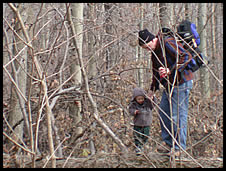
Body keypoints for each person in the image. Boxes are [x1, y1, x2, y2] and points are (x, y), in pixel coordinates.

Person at [138, 28, 193, 157]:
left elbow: (186, 56)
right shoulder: (154, 52)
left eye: (147, 46)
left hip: (182, 82)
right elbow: (156, 73)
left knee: (177, 115)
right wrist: (152, 90)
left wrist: (171, 70)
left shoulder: (167, 42)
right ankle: (168, 143)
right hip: (169, 85)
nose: (148, 50)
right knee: (163, 112)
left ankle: (179, 148)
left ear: (153, 40)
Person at [129, 87, 155, 155]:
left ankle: (143, 145)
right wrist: (134, 112)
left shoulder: (147, 104)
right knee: (137, 136)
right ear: (135, 99)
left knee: (146, 135)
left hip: (146, 123)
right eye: (138, 99)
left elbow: (153, 105)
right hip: (137, 124)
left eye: (142, 99)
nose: (140, 100)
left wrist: (152, 98)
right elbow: (130, 110)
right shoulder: (133, 104)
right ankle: (138, 147)